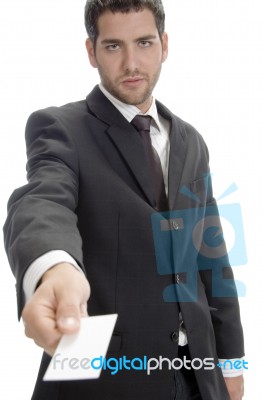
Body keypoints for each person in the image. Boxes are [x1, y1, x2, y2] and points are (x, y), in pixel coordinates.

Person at [3, 0, 245, 399]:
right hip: (102, 376)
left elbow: (212, 257)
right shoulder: (61, 128)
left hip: (197, 377)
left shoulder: (191, 141)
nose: (132, 63)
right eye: (114, 46)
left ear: (165, 45)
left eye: (145, 43)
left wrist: (232, 362)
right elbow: (43, 200)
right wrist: (54, 267)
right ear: (91, 51)